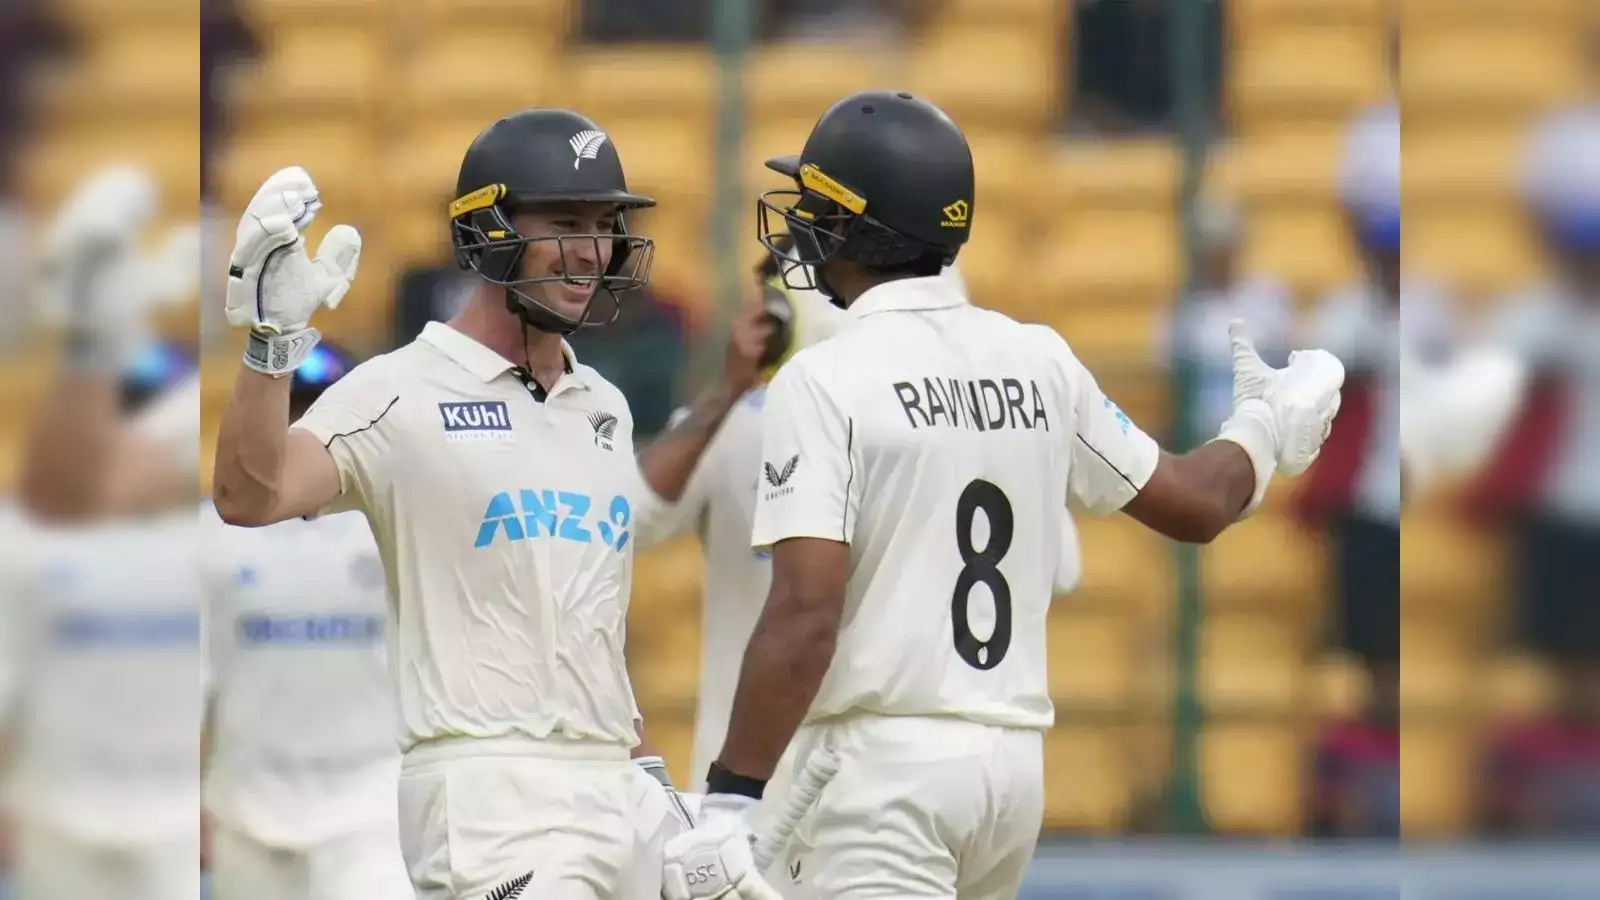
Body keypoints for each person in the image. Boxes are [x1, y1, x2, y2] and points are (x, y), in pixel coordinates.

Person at [660, 90, 1345, 900]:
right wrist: (1267, 428)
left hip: (880, 777)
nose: (801, 224)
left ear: (860, 225)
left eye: (817, 206)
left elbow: (806, 613)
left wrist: (730, 800)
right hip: (1010, 771)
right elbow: (1196, 502)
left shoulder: (824, 377)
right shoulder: (1037, 358)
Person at [210, 107, 771, 900]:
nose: (591, 250)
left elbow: (587, 628)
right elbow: (248, 495)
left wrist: (654, 787)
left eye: (605, 224)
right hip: (486, 793)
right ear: (488, 234)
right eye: (565, 222)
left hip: (616, 780)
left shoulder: (601, 404)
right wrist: (272, 342)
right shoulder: (399, 389)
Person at [0, 166, 203, 900]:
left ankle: (96, 321)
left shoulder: (203, 542)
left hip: (177, 830)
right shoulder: (29, 542)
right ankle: (93, 322)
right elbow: (63, 495)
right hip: (62, 825)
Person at [201, 340, 414, 900]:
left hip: (374, 810)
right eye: (293, 409)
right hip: (244, 808)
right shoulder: (208, 536)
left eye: (319, 409)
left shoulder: (396, 518)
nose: (303, 426)